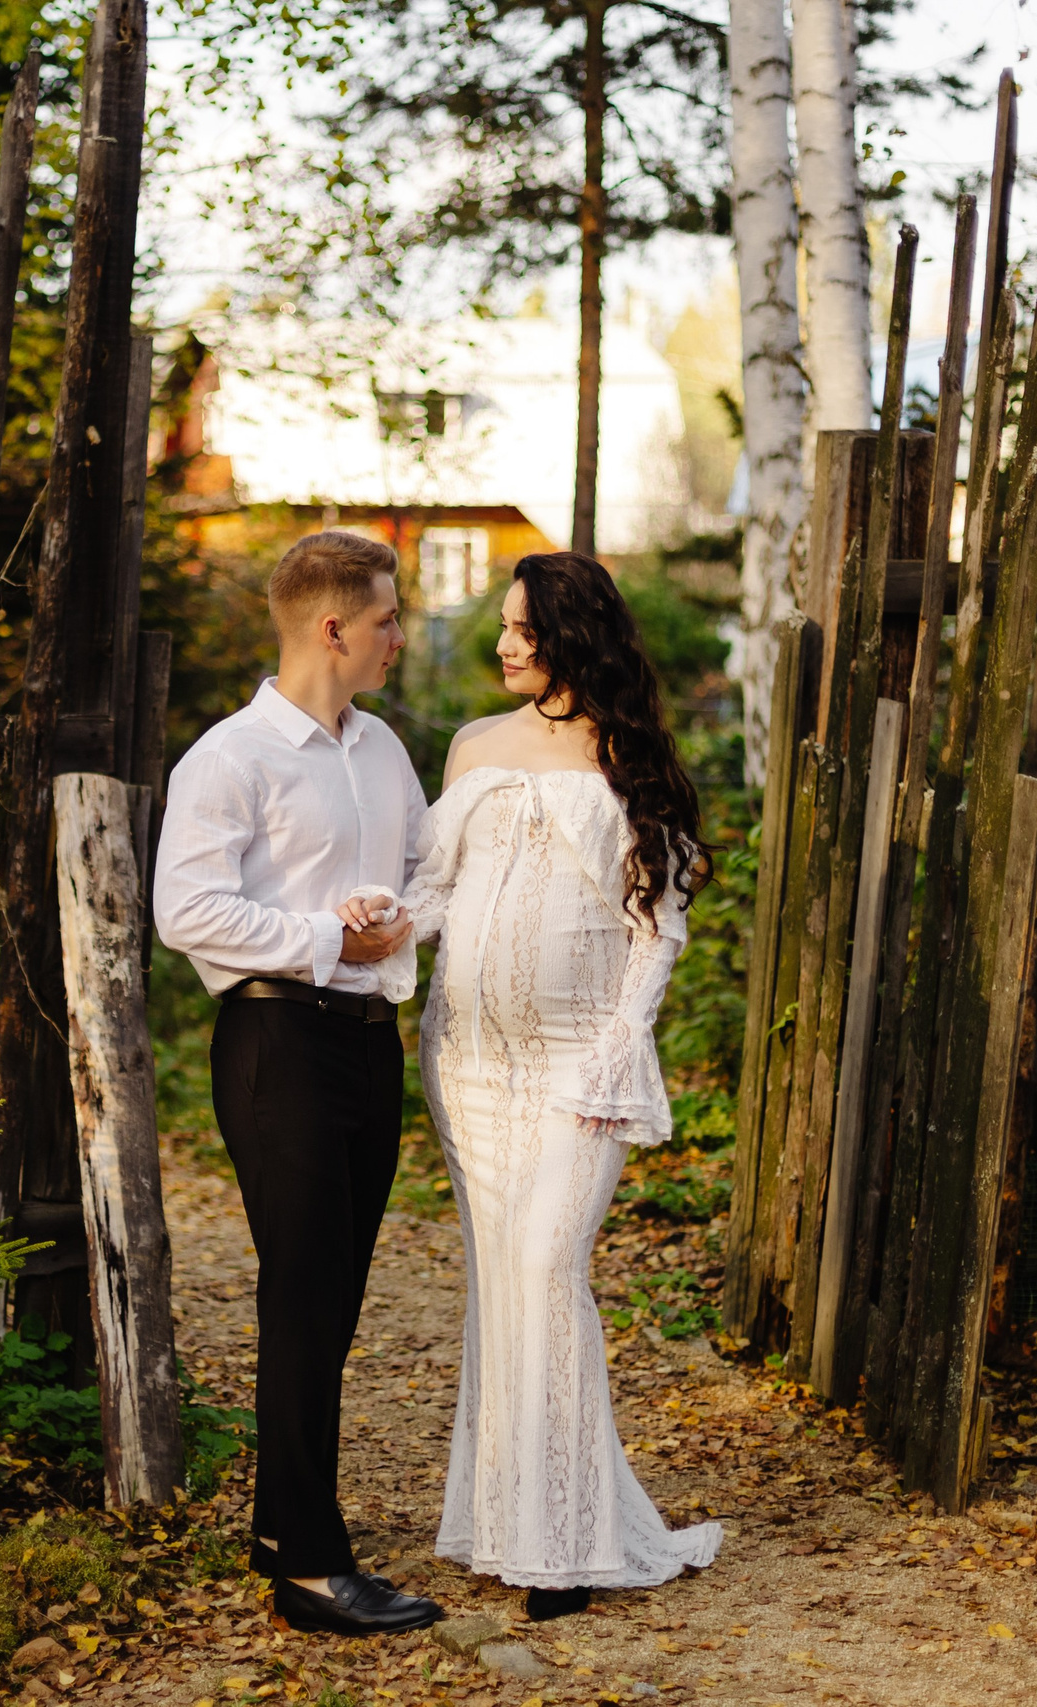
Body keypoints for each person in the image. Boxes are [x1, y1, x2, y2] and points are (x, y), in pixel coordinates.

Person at [350, 551, 723, 1622]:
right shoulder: (472, 744)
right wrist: (384, 926)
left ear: (574, 636)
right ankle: (510, 1520)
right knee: (500, 1284)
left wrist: (619, 1044)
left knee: (547, 1271)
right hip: (467, 1062)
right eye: (505, 629)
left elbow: (657, 929)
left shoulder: (627, 755)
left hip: (577, 1061)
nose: (502, 645)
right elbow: (436, 888)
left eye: (520, 628)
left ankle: (561, 1545)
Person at [151, 531, 444, 1637]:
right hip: (276, 1045)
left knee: (335, 1300)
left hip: (368, 1042)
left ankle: (288, 1535)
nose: (397, 639)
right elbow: (187, 914)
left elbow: (421, 874)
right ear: (332, 627)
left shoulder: (382, 753)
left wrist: (392, 918)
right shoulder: (228, 759)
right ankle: (310, 1569)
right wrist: (324, 934)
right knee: (302, 1296)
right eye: (385, 619)